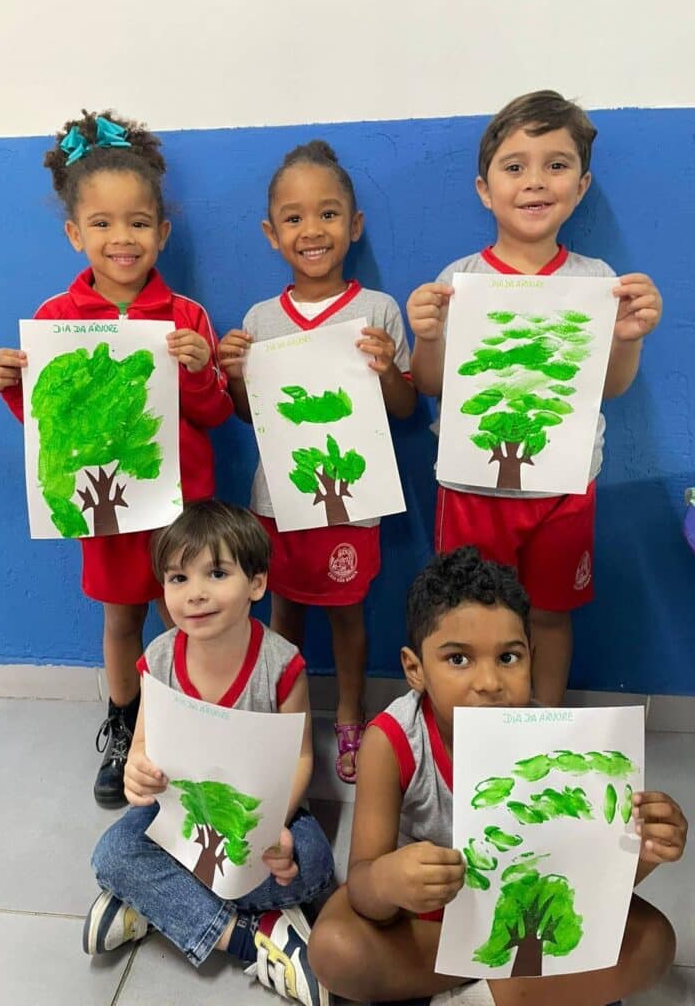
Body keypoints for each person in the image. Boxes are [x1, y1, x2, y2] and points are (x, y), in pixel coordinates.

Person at [307, 546, 687, 1005]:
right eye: (458, 659)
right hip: (427, 920)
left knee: (653, 941)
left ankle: (477, 997)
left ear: (532, 657)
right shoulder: (391, 742)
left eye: (508, 658)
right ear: (415, 669)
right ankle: (517, 988)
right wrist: (391, 880)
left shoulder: (555, 743)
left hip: (526, 917)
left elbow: (591, 890)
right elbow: (365, 888)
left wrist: (644, 852)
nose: (489, 682)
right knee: (334, 948)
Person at [0, 110, 232, 808]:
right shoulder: (56, 319)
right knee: (122, 619)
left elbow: (216, 414)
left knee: (190, 616)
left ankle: (191, 725)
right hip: (108, 510)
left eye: (138, 223)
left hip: (182, 509)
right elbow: (50, 428)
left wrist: (199, 370)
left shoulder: (185, 315)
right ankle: (126, 728)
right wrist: (14, 386)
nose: (121, 238)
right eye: (102, 223)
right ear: (75, 233)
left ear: (163, 232)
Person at [406, 90, 663, 707]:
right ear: (484, 189)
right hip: (472, 489)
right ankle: (471, 729)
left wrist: (628, 337)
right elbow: (431, 384)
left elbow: (611, 387)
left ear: (581, 185)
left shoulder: (598, 281)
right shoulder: (459, 280)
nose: (535, 181)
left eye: (557, 164)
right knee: (469, 615)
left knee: (550, 614)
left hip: (564, 488)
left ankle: (541, 726)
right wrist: (427, 336)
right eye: (515, 166)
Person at [218, 140, 416, 782]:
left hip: (352, 502)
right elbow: (249, 416)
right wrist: (235, 375)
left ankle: (351, 710)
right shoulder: (260, 319)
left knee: (347, 611)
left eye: (328, 214)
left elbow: (406, 407)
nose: (312, 230)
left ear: (354, 226)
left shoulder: (376, 310)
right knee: (284, 611)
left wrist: (387, 370)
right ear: (272, 234)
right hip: (276, 501)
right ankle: (290, 719)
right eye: (294, 217)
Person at [83, 501, 334, 1006]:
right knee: (112, 852)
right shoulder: (158, 660)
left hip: (257, 820)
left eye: (216, 574)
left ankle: (152, 904)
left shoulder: (281, 665)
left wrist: (274, 828)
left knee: (313, 863)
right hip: (179, 819)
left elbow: (301, 758)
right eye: (178, 578)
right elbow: (142, 748)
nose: (195, 593)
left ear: (256, 584)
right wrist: (137, 774)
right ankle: (251, 938)